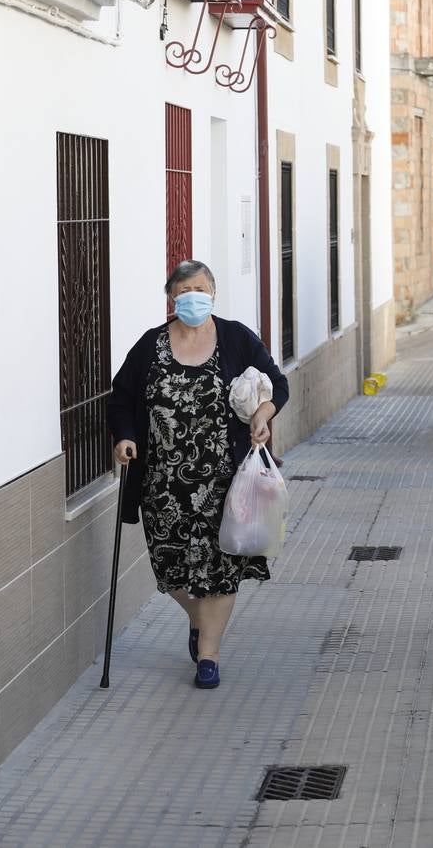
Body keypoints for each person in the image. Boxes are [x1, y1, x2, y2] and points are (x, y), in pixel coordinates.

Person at [108, 260, 288, 689]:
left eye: (201, 289)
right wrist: (125, 437)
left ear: (214, 293)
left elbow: (277, 384)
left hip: (226, 483)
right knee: (170, 570)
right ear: (172, 297)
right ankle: (199, 619)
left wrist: (263, 412)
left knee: (222, 568)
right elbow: (121, 396)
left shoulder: (236, 338)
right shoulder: (151, 346)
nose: (193, 297)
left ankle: (209, 655)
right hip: (162, 486)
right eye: (185, 290)